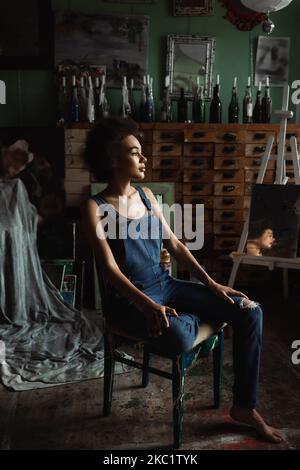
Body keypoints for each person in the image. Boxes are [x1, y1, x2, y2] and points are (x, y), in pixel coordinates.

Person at [82, 116, 282, 444]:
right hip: (130, 299)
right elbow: (110, 272)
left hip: (166, 285)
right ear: (113, 159)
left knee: (249, 311)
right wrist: (148, 306)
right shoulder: (94, 207)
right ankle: (195, 323)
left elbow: (174, 244)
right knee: (176, 337)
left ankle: (245, 407)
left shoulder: (146, 196)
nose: (144, 158)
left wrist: (211, 285)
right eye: (135, 152)